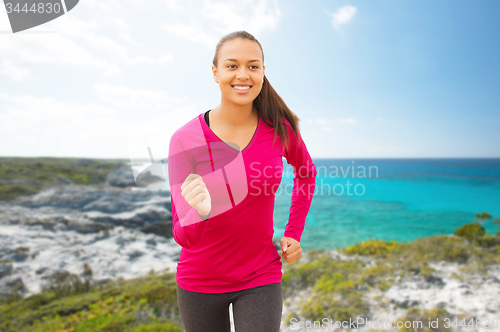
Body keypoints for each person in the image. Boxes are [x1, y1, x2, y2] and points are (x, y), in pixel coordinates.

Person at [168, 30, 317, 332]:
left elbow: (306, 174)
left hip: (260, 275)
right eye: (232, 65)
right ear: (215, 72)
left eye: (253, 66)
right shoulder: (185, 140)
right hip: (200, 282)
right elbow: (184, 237)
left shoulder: (280, 129)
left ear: (263, 72)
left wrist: (294, 233)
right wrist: (200, 211)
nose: (243, 75)